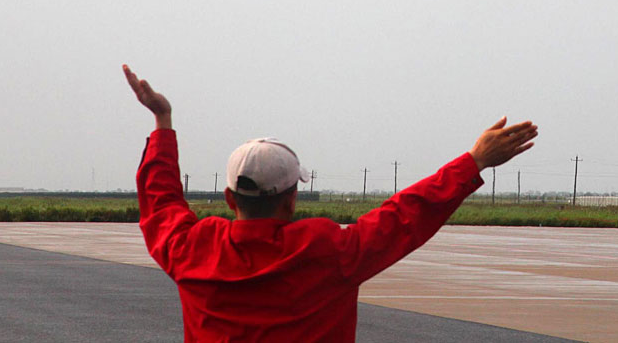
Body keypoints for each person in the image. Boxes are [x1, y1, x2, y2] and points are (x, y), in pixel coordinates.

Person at [124, 64, 537, 342]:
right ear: (292, 199)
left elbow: (160, 202)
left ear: (229, 198)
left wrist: (162, 123)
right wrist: (474, 161)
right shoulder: (327, 251)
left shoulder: (193, 249)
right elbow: (406, 215)